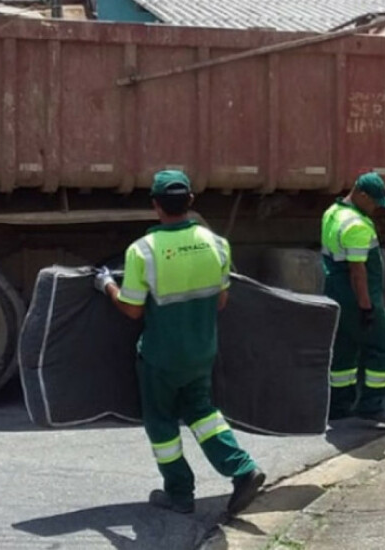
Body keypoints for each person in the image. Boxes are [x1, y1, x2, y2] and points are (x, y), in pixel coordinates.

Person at [94, 170, 265, 515]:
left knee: (161, 424)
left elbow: (131, 309)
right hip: (202, 351)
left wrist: (106, 285)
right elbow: (221, 301)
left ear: (155, 205)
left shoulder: (142, 251)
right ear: (190, 202)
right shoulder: (216, 243)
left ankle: (179, 494)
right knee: (203, 412)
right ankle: (243, 469)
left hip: (161, 356)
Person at [321, 172, 385, 428]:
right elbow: (358, 272)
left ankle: (338, 405)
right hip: (357, 296)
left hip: (335, 290)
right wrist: (367, 307)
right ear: (360, 194)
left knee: (345, 348)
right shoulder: (356, 225)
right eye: (374, 201)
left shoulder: (332, 212)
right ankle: (371, 405)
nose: (376, 207)